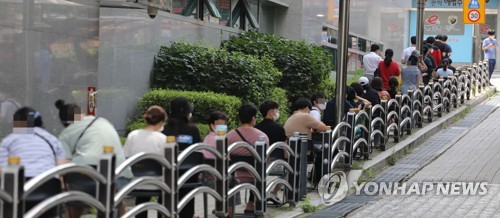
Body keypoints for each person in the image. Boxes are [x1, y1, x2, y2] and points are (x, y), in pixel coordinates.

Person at [55, 99, 132, 217]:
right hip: (121, 176)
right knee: (115, 200)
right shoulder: (103, 121)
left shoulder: (66, 133)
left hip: (87, 179)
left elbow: (64, 164)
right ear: (82, 113)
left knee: (76, 202)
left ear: (64, 122)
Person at [122, 105, 167, 218]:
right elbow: (168, 163)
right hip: (156, 183)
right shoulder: (163, 139)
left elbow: (125, 157)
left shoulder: (133, 135)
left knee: (142, 198)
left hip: (134, 182)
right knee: (167, 189)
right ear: (162, 121)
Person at [161, 97, 201, 218]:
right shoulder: (193, 129)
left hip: (167, 174)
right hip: (189, 175)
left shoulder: (164, 130)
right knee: (187, 200)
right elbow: (197, 150)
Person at [0, 107, 67, 178]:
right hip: (49, 181)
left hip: (21, 182)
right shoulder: (52, 139)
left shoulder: (9, 139)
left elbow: (2, 170)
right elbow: (62, 169)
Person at [227, 103, 269, 214]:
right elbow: (265, 157)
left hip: (233, 175)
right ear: (253, 118)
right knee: (260, 170)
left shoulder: (230, 135)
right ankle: (251, 204)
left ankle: (228, 207)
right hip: (255, 176)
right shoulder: (262, 136)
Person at [254, 100, 286, 204]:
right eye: (277, 110)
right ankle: (274, 192)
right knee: (290, 168)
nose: (278, 112)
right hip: (276, 164)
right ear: (271, 112)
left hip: (257, 164)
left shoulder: (256, 128)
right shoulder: (279, 128)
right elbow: (284, 146)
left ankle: (257, 195)